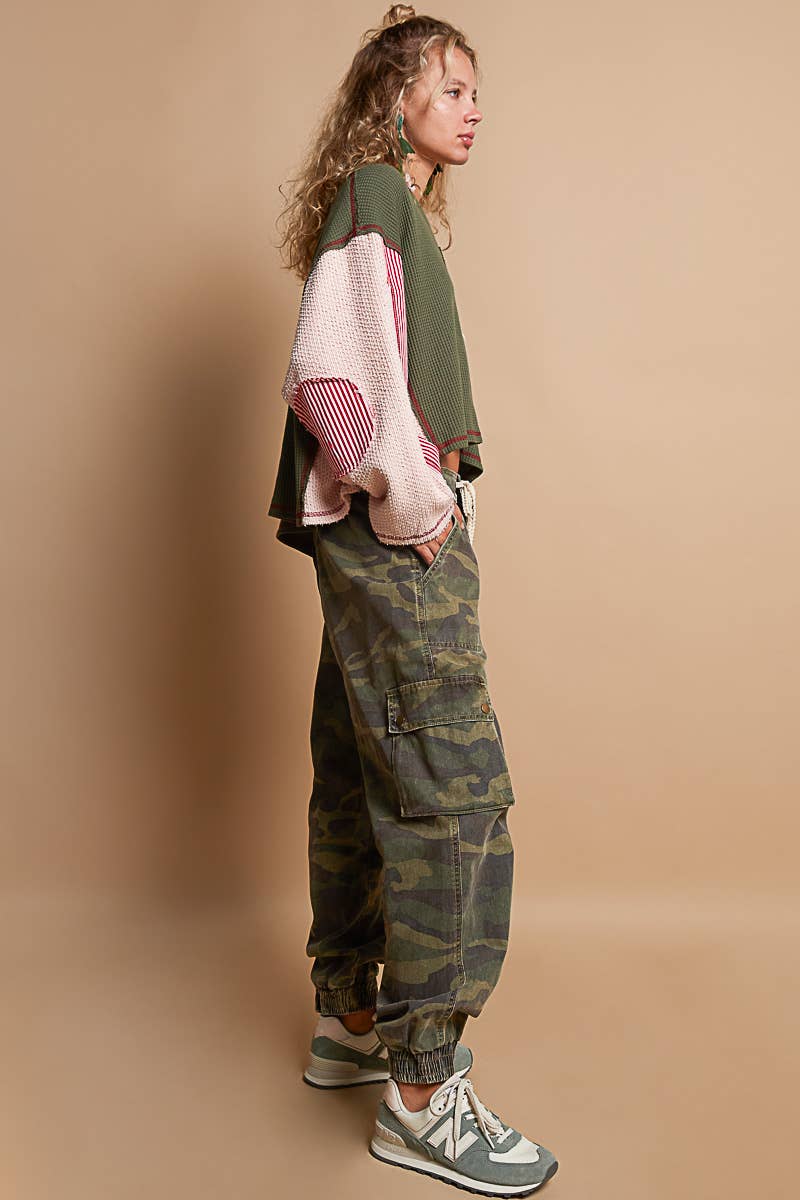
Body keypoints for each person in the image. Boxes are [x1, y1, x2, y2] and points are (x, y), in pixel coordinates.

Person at [268, 6, 559, 1194]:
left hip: (360, 538)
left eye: (473, 91)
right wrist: (414, 501)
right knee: (452, 794)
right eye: (449, 89)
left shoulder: (382, 204)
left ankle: (349, 1021)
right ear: (392, 102)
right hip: (390, 538)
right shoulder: (380, 198)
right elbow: (324, 380)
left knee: (359, 766)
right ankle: (424, 1093)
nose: (471, 109)